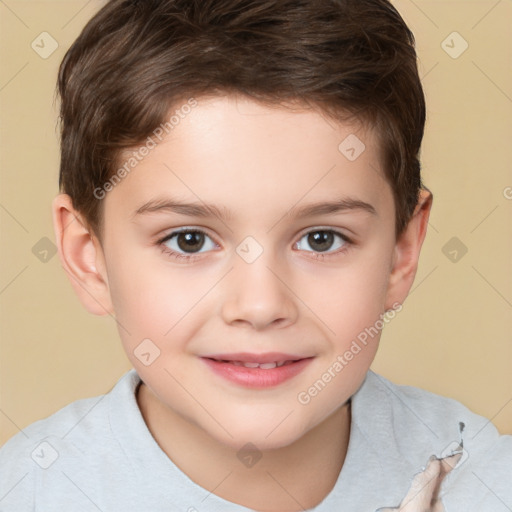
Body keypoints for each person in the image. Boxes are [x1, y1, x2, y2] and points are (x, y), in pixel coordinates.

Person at [0, 1, 510, 511]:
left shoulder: (479, 483)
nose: (261, 305)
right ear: (90, 258)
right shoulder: (28, 492)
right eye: (189, 240)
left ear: (402, 251)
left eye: (321, 239)